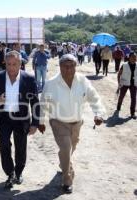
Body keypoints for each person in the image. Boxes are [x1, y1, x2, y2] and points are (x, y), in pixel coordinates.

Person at [39, 54, 105, 193]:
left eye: (71, 66)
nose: (68, 70)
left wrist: (98, 114)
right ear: (60, 67)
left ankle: (64, 162)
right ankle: (67, 180)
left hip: (77, 122)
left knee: (71, 148)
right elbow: (43, 104)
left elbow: (94, 98)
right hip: (58, 122)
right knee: (66, 149)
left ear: (76, 66)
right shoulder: (51, 83)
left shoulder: (83, 81)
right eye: (65, 66)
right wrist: (40, 120)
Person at [0, 50, 41, 189]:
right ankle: (10, 173)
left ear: (20, 64)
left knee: (20, 147)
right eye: (9, 64)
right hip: (4, 117)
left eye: (15, 64)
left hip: (21, 118)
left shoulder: (29, 78)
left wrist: (35, 123)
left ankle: (19, 171)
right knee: (4, 145)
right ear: (5, 63)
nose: (11, 67)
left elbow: (35, 102)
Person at [116, 52, 137, 119]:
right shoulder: (124, 65)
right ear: (129, 58)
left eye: (135, 57)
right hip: (125, 83)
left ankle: (132, 113)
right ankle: (119, 106)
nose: (134, 58)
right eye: (133, 57)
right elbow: (119, 74)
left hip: (134, 84)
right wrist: (119, 83)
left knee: (133, 98)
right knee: (121, 96)